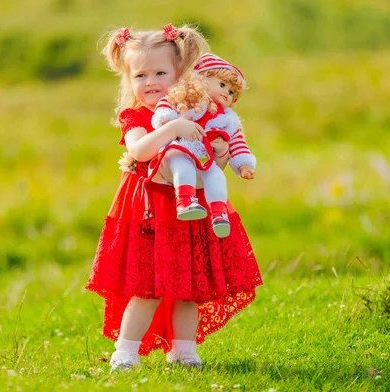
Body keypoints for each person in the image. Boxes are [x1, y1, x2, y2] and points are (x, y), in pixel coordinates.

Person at [85, 24, 263, 371]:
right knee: (147, 286)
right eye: (140, 74)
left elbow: (212, 165)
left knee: (188, 287)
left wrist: (223, 150)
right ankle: (126, 351)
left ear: (182, 74)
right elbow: (139, 149)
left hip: (191, 206)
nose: (150, 81)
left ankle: (184, 351)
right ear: (129, 79)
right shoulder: (137, 116)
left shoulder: (197, 114)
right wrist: (171, 129)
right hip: (150, 209)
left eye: (160, 72)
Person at [149, 53, 257, 238]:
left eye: (231, 92)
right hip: (179, 148)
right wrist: (171, 123)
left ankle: (218, 212)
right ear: (202, 80)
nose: (226, 93)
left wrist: (243, 164)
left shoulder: (227, 118)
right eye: (222, 85)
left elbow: (237, 141)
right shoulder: (184, 100)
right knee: (182, 166)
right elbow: (163, 108)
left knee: (216, 177)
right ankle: (185, 200)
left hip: (205, 156)